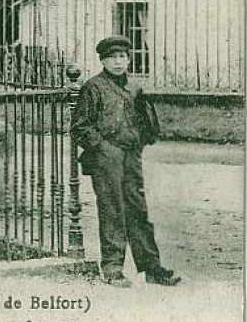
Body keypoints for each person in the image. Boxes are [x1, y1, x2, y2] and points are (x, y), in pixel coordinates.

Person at [71, 35, 181, 288]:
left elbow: (146, 121)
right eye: (112, 57)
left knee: (138, 210)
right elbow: (79, 127)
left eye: (122, 57)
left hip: (131, 156)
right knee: (112, 210)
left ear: (129, 59)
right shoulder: (93, 88)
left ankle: (152, 268)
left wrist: (140, 142)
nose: (118, 62)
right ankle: (111, 268)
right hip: (105, 158)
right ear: (103, 61)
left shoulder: (134, 88)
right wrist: (103, 148)